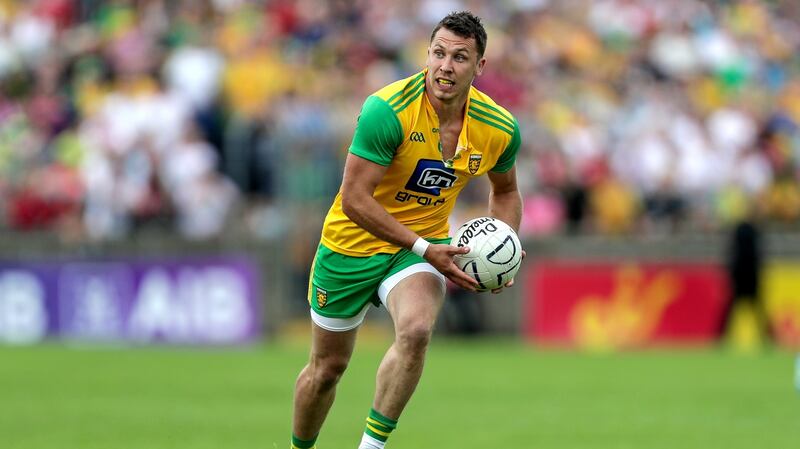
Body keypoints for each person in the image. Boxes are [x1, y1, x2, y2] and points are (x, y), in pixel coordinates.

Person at [290, 11, 523, 449]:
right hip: (350, 246)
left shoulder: (499, 128)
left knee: (416, 331)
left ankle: (371, 446)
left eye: (459, 57)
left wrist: (504, 244)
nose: (445, 66)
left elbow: (506, 190)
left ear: (479, 66)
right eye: (438, 53)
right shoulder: (388, 110)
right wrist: (423, 247)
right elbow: (355, 199)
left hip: (418, 250)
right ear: (427, 54)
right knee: (326, 371)